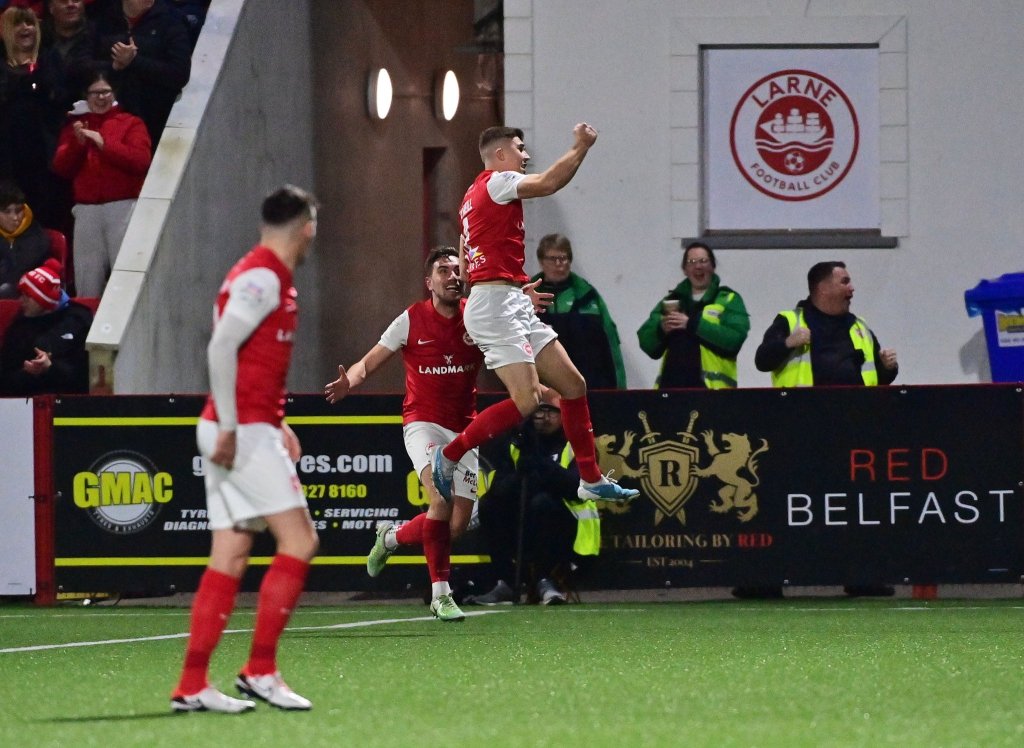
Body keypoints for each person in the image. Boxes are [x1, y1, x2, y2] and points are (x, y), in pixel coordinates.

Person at [431, 123, 639, 507]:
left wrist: (505, 285)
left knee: (573, 386)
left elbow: (465, 249)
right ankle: (450, 453)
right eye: (519, 148)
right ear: (499, 156)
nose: (525, 156)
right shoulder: (498, 180)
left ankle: (590, 479)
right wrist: (581, 146)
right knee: (527, 402)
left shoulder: (472, 194)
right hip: (496, 307)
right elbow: (548, 184)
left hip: (504, 300)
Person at [171, 185, 320, 714]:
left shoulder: (261, 272)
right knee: (299, 541)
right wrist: (238, 425)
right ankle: (260, 669)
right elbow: (221, 346)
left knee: (231, 554)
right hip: (239, 430)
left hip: (248, 425)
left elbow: (251, 360)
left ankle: (192, 684)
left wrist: (275, 421)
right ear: (307, 226)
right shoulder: (263, 275)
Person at [323, 247, 483, 623]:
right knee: (439, 502)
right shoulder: (411, 319)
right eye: (443, 271)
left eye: (457, 270)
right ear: (429, 283)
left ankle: (391, 537)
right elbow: (369, 361)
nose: (452, 276)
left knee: (455, 527)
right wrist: (352, 381)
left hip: (465, 429)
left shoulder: (475, 318)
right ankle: (441, 595)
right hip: (423, 423)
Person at [752, 260, 898, 599]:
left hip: (852, 432)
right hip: (799, 431)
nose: (852, 288)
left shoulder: (860, 327)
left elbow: (874, 379)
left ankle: (861, 578)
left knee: (854, 508)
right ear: (822, 288)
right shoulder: (790, 321)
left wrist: (889, 368)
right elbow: (762, 360)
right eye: (845, 281)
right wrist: (788, 342)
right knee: (788, 508)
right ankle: (766, 579)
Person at [468, 400, 600, 606]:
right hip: (522, 528)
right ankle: (508, 582)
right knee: (488, 506)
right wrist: (520, 472)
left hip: (567, 531)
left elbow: (578, 488)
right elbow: (499, 490)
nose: (544, 418)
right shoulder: (516, 444)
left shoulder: (576, 443)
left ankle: (545, 580)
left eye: (552, 412)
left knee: (543, 503)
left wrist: (541, 464)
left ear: (564, 414)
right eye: (540, 411)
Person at [51, 66, 151, 297]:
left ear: (115, 92)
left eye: (106, 91)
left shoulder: (130, 123)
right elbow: (61, 167)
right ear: (86, 95)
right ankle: (86, 325)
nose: (101, 97)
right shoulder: (75, 125)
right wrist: (77, 143)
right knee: (87, 279)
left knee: (125, 275)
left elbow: (140, 160)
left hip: (123, 208)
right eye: (95, 93)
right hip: (87, 211)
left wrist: (104, 143)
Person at [636, 242, 750, 389]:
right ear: (684, 270)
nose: (698, 266)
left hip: (712, 394)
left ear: (713, 267)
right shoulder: (671, 301)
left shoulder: (728, 299)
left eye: (703, 261)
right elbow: (646, 341)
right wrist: (661, 329)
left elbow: (734, 339)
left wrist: (691, 324)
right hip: (670, 391)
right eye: (691, 262)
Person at [530, 233, 625, 390]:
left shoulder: (588, 297)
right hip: (542, 391)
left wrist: (620, 390)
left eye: (564, 258)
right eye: (553, 259)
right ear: (541, 262)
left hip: (589, 387)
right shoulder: (526, 296)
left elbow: (612, 344)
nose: (560, 264)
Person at [93, 0, 191, 150]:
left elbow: (179, 73)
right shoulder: (104, 18)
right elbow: (85, 64)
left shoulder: (171, 20)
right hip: (106, 117)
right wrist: (113, 66)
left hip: (152, 121)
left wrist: (134, 61)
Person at [0, 258, 91, 395]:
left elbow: (85, 376)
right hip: (24, 404)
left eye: (27, 296)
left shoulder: (78, 320)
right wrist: (27, 373)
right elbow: (5, 377)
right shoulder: (20, 326)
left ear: (44, 299)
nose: (21, 300)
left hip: (69, 405)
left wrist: (51, 368)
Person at [0, 181, 54, 298]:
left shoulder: (37, 238)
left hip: (28, 294)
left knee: (6, 289)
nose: (15, 217)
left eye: (19, 211)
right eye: (7, 212)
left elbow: (19, 273)